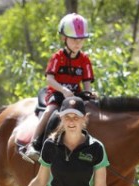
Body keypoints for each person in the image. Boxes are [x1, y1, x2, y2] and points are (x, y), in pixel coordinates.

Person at [25, 13, 96, 161]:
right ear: (64, 38)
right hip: (57, 93)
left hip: (76, 95)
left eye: (81, 39)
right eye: (74, 39)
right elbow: (49, 79)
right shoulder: (57, 57)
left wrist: (89, 94)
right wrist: (63, 90)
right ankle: (34, 144)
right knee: (49, 112)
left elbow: (87, 83)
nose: (78, 43)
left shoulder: (85, 59)